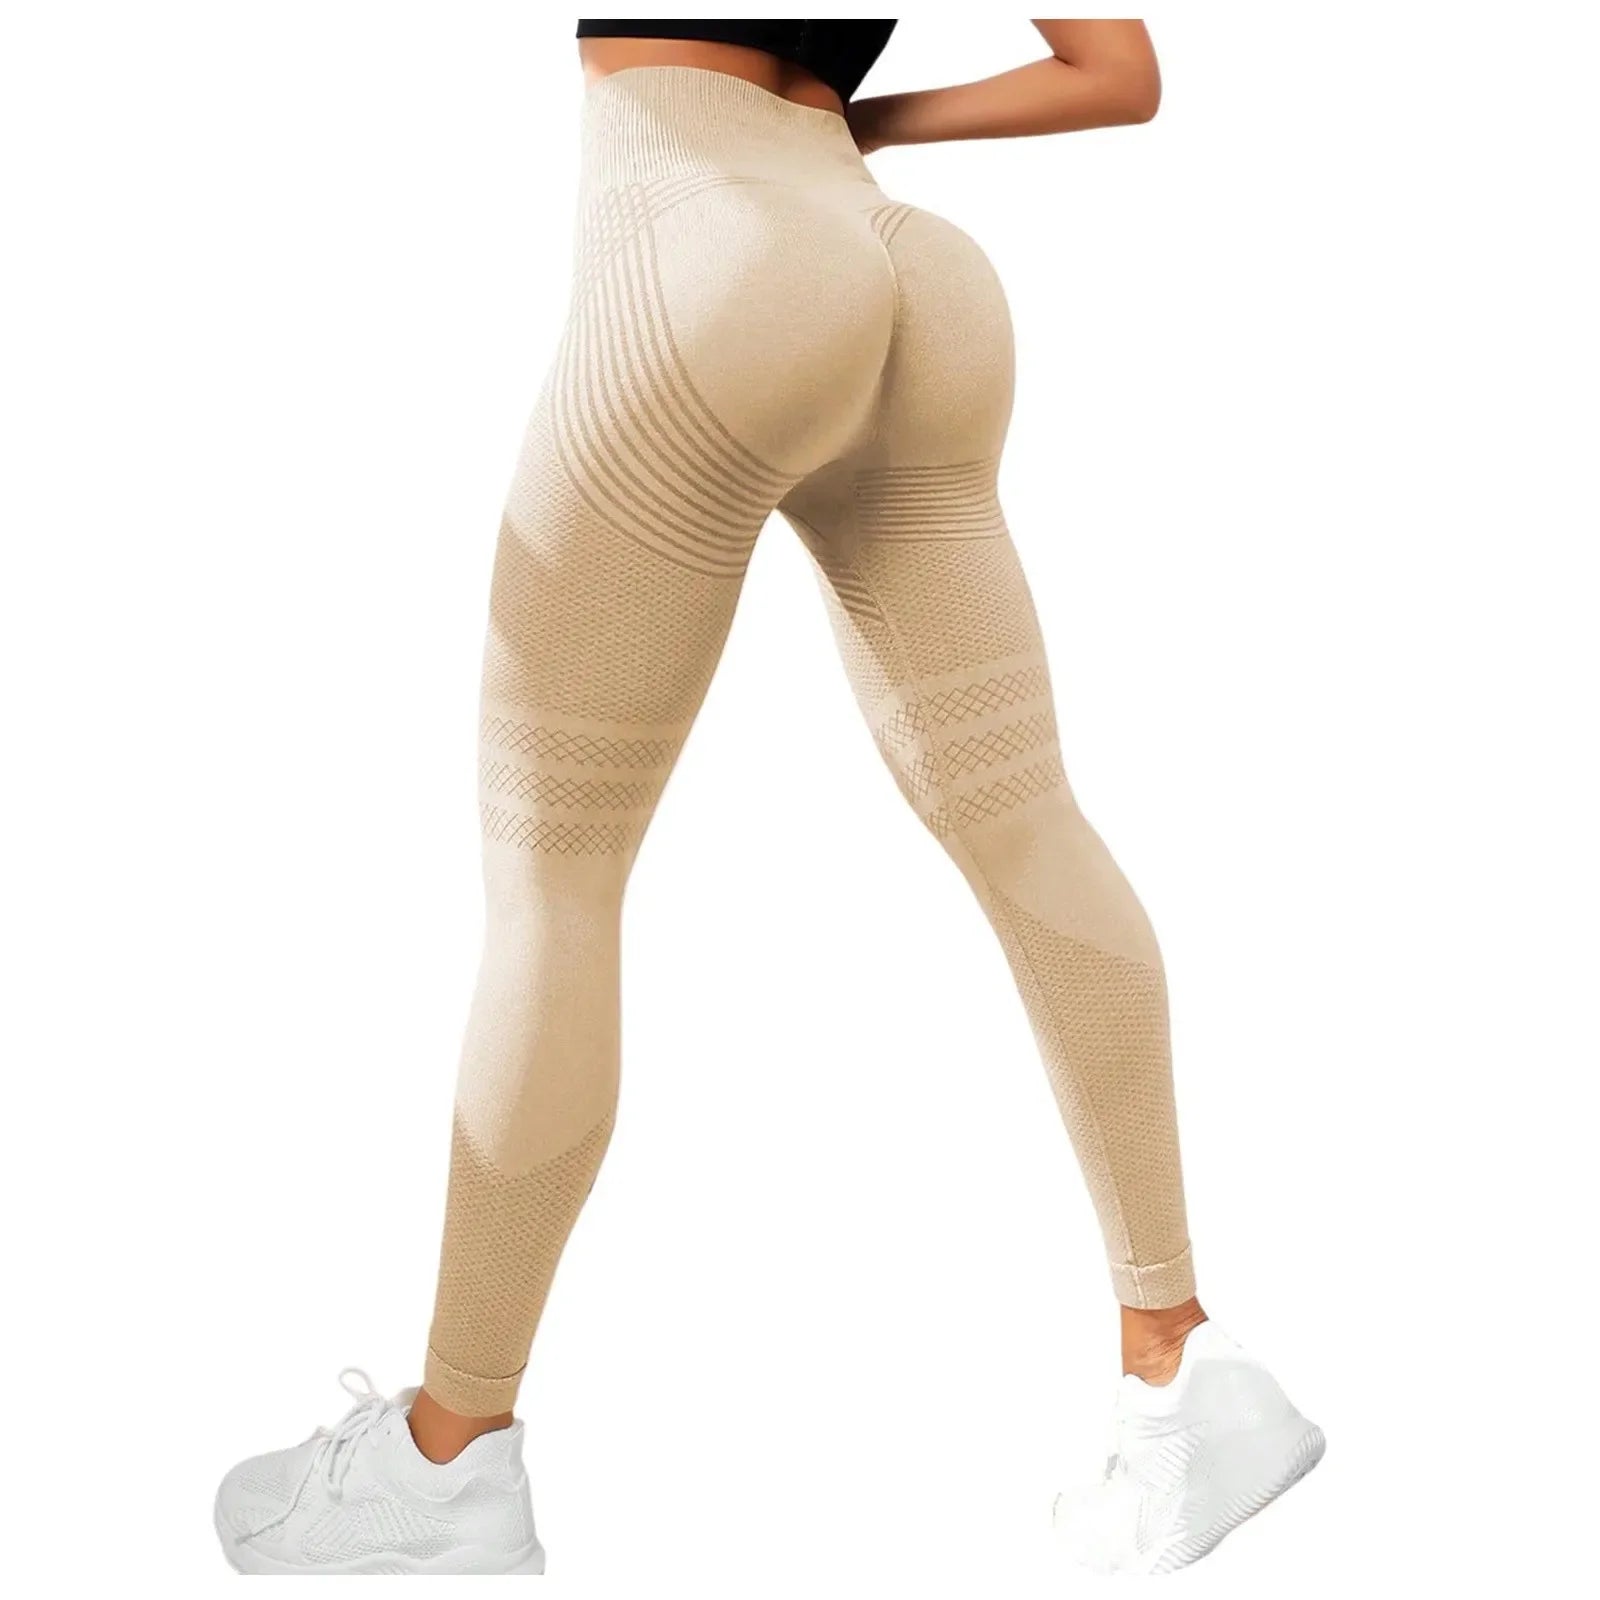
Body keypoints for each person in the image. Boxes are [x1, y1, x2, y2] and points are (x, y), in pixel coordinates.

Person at [214, 20, 1322, 1576]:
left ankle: (449, 1455)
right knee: (1028, 817)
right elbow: (1115, 73)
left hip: (704, 246)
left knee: (555, 881)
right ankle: (1180, 1362)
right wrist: (864, 126)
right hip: (909, 268)